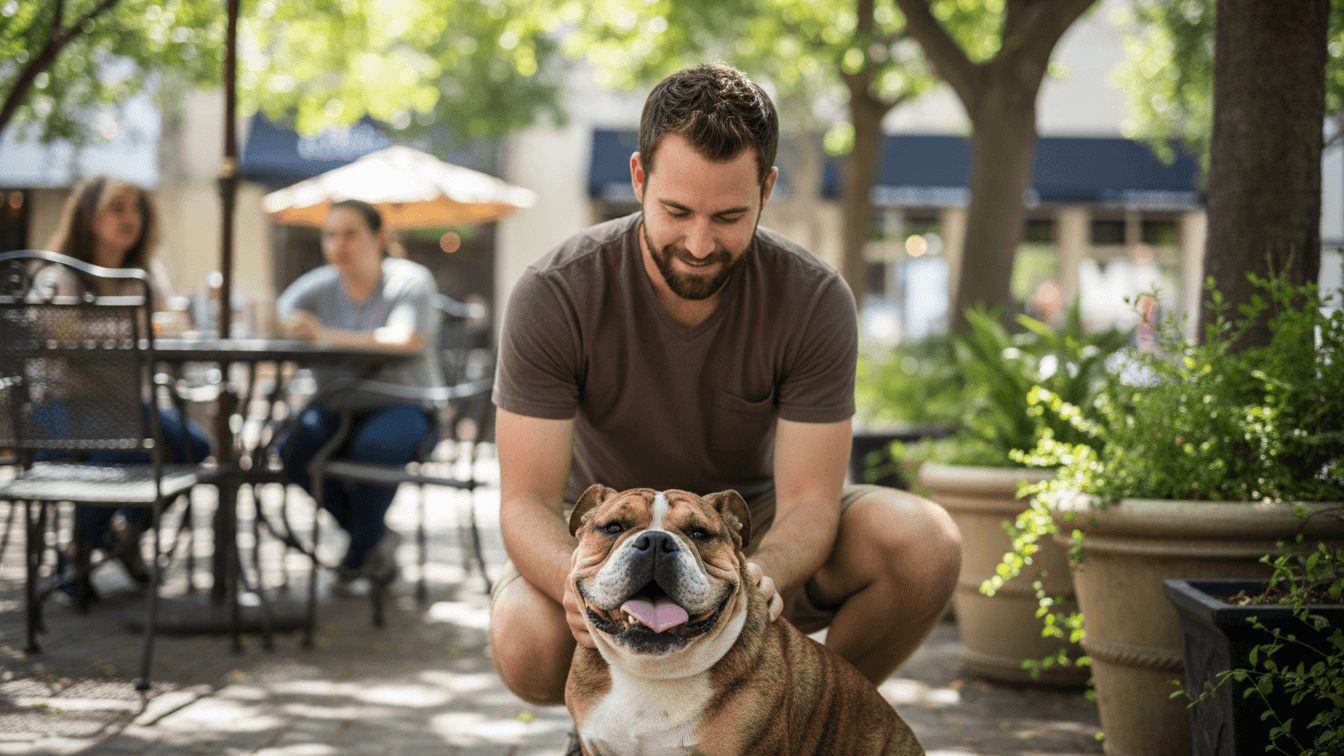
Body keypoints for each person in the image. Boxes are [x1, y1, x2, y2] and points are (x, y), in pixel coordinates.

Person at [488, 62, 963, 710]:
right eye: (676, 211)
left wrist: (748, 576)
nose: (700, 242)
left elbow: (808, 507)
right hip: (608, 536)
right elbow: (526, 502)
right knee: (524, 637)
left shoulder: (814, 299)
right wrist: (578, 579)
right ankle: (617, 730)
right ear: (638, 178)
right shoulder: (555, 292)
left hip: (746, 536)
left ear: (767, 189)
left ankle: (791, 725)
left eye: (730, 216)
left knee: (925, 542)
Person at [39, 175, 213, 594]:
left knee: (196, 447)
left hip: (124, 409)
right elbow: (56, 336)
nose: (130, 217)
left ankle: (122, 535)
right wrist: (126, 332)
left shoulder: (144, 277)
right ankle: (81, 552)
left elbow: (167, 330)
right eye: (117, 207)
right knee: (126, 451)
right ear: (88, 215)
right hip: (60, 409)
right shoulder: (58, 275)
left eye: (135, 208)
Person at [276, 199, 444, 587]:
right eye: (330, 234)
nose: (338, 244)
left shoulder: (409, 280)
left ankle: (357, 554)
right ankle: (372, 539)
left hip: (405, 404)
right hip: (336, 407)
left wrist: (324, 335)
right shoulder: (316, 285)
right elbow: (277, 316)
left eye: (350, 233)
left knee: (375, 447)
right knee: (290, 448)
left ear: (379, 237)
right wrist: (287, 325)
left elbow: (407, 339)